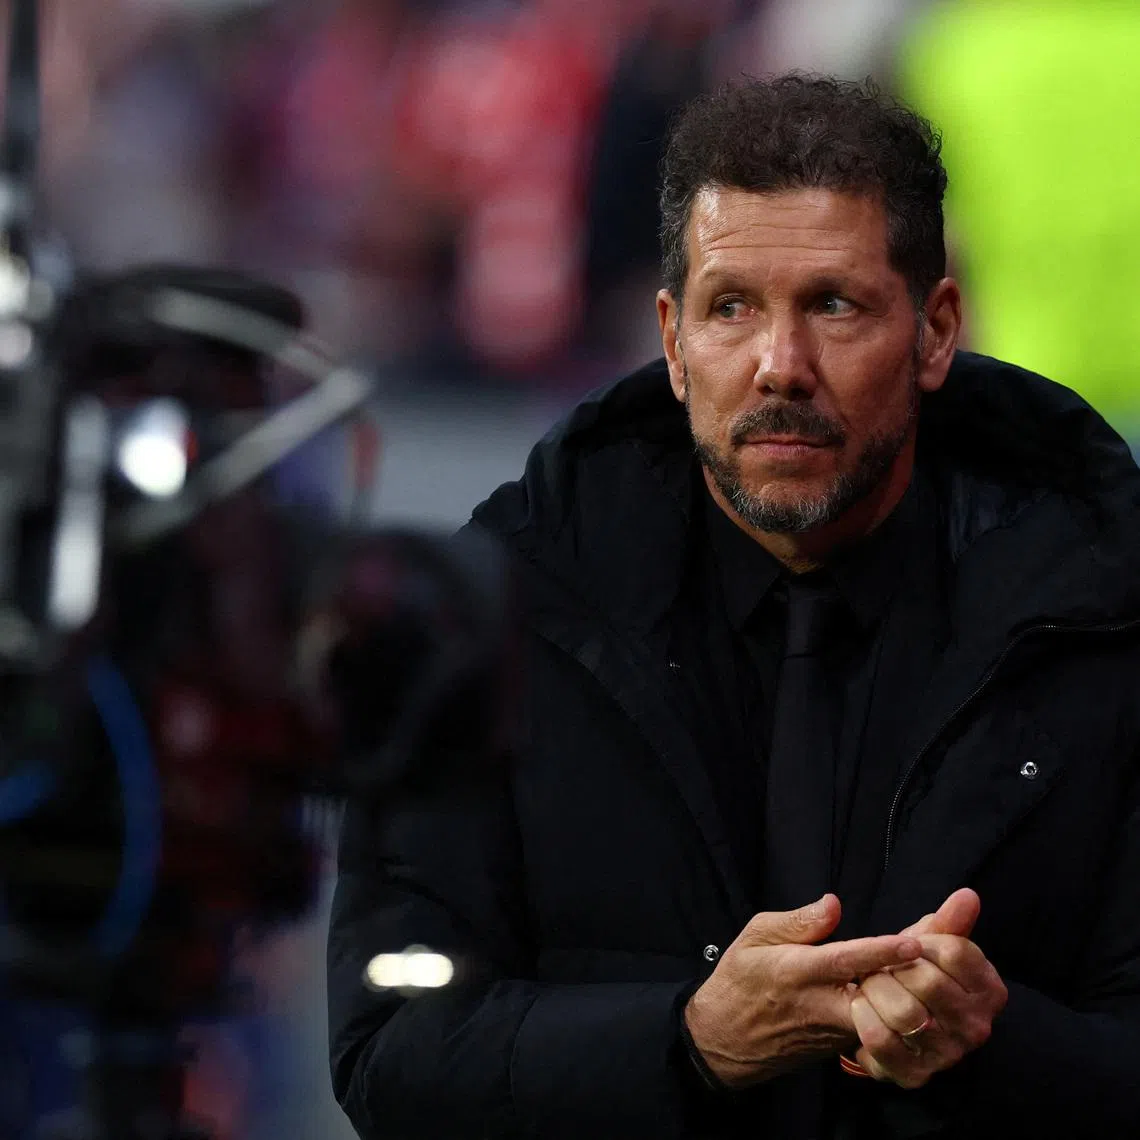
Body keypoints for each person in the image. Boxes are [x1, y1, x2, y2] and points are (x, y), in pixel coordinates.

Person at [327, 76, 1140, 1139]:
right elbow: (388, 1052)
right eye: (732, 307)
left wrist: (1002, 1045)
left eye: (834, 305)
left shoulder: (1104, 623)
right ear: (672, 340)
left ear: (937, 331)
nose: (779, 367)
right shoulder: (499, 623)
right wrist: (687, 1043)